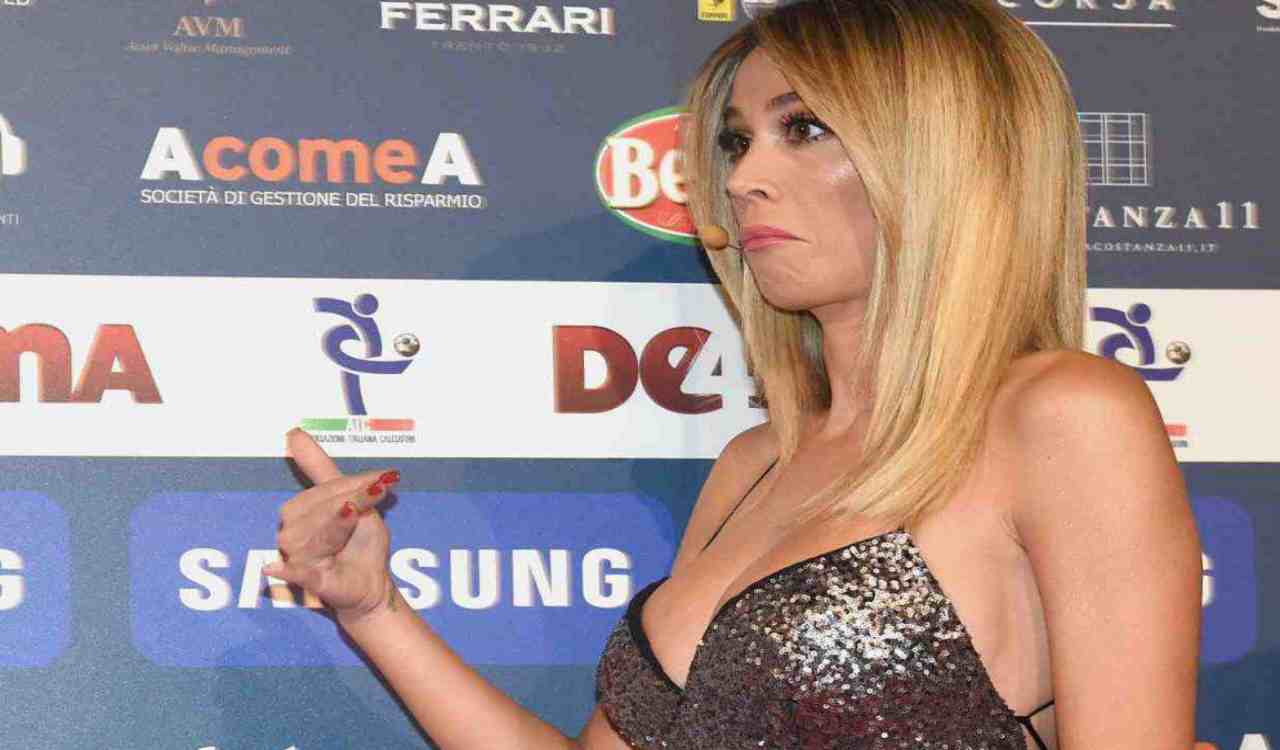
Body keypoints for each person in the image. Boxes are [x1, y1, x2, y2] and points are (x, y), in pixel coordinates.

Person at [263, 1, 1202, 748]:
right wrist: (376, 609)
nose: (746, 177)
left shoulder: (1063, 414)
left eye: (806, 128)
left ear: (948, 156)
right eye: (738, 141)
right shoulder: (756, 462)